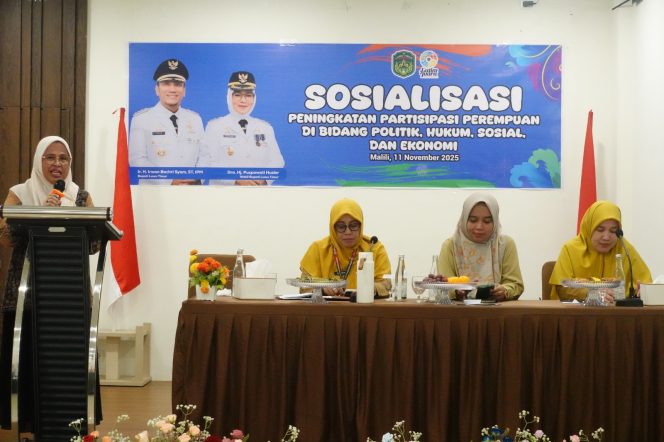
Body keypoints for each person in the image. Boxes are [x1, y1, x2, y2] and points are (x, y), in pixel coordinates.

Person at [0, 136, 99, 432]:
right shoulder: (19, 194)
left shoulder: (80, 196)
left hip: (68, 292)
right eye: (50, 157)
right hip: (27, 292)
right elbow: (6, 239)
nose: (57, 164)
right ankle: (27, 423)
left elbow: (94, 243)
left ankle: (71, 424)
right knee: (28, 356)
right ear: (38, 160)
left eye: (63, 158)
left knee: (65, 358)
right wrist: (39, 213)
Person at [549, 200, 652, 301]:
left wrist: (642, 291)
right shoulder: (570, 249)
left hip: (617, 311)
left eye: (613, 231)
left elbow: (645, 283)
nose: (606, 237)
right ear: (589, 227)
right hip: (578, 311)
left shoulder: (625, 249)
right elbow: (562, 289)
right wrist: (591, 293)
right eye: (600, 230)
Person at [200, 71, 285, 185]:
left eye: (248, 95)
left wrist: (264, 179)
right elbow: (208, 162)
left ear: (254, 98)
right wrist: (235, 179)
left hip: (258, 191)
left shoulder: (265, 128)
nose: (243, 100)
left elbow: (277, 160)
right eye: (237, 95)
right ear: (229, 97)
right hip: (224, 193)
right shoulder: (215, 126)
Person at [128, 58, 204, 185]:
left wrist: (196, 178)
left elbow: (204, 156)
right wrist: (169, 180)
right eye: (166, 83)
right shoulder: (141, 119)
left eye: (178, 84)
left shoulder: (195, 119)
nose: (172, 89)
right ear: (157, 89)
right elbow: (137, 160)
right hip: (155, 192)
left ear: (184, 90)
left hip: (190, 190)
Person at [437, 192, 524, 301]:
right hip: (459, 310)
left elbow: (516, 285)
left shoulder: (505, 244)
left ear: (495, 222)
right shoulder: (450, 246)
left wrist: (504, 291)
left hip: (498, 310)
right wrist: (456, 291)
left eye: (487, 221)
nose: (479, 227)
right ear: (464, 219)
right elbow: (443, 286)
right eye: (473, 220)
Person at [300, 198, 391, 297]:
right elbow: (304, 288)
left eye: (353, 225)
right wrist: (321, 289)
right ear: (333, 228)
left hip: (364, 305)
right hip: (328, 306)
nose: (348, 232)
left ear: (361, 225)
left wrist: (372, 288)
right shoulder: (318, 249)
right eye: (341, 226)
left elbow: (386, 284)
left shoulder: (374, 248)